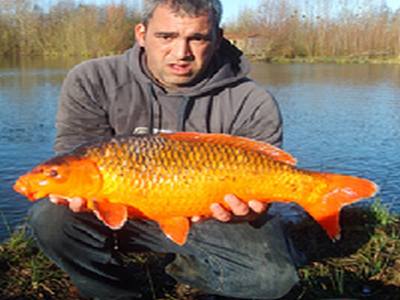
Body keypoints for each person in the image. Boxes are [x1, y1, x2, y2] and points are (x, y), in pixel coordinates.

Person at [28, 0, 302, 299]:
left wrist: (246, 212)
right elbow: (73, 158)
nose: (181, 53)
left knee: (273, 281)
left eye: (197, 38)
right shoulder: (92, 79)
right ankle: (114, 291)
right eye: (166, 36)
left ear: (218, 38)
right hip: (122, 212)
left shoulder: (252, 101)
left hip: (208, 215)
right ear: (141, 33)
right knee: (50, 217)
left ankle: (190, 270)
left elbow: (269, 177)